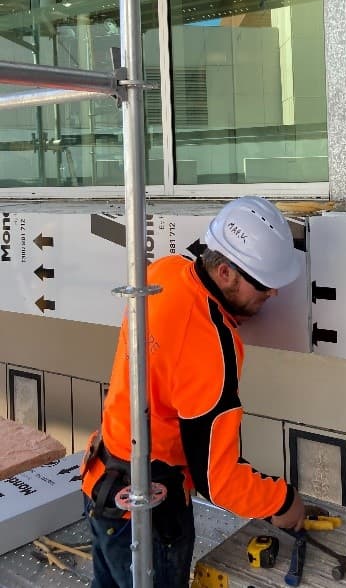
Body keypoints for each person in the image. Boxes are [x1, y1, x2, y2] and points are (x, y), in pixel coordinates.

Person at [81, 196, 307, 588]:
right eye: (264, 285)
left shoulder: (163, 273)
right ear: (224, 273)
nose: (273, 295)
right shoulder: (212, 347)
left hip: (102, 486)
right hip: (148, 516)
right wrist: (282, 502)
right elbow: (217, 481)